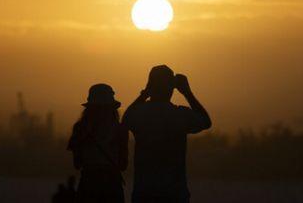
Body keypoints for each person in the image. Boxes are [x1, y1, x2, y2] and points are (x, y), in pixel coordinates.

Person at [122, 65, 212, 203]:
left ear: (150, 86)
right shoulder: (180, 115)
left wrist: (145, 93)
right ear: (171, 89)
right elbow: (205, 122)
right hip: (174, 193)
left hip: (145, 192)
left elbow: (126, 119)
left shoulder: (140, 114)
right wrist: (187, 92)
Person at [68, 84, 129, 203]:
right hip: (112, 186)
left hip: (88, 184)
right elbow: (123, 165)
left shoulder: (80, 129)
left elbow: (77, 163)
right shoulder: (120, 130)